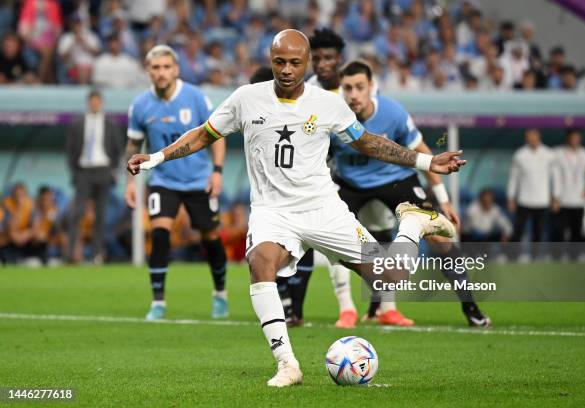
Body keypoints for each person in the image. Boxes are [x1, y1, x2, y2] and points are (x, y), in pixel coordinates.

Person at [127, 29, 465, 387]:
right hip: (273, 212)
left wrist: (427, 163)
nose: (286, 69)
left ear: (306, 64)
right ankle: (287, 364)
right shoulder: (246, 99)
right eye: (279, 62)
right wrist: (155, 157)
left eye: (294, 62)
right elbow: (202, 134)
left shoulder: (328, 103)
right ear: (270, 61)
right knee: (260, 262)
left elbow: (368, 143)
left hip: (323, 209)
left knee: (390, 277)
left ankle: (413, 224)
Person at [330, 60, 490, 328]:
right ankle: (349, 309)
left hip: (396, 179)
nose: (353, 94)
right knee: (331, 234)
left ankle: (470, 305)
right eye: (348, 88)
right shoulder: (333, 116)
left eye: (359, 87)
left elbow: (425, 152)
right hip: (350, 185)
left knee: (438, 233)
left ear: (372, 87)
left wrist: (444, 199)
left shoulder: (393, 113)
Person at [124, 45, 229, 321]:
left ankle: (220, 293)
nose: (161, 73)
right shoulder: (140, 105)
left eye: (166, 67)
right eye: (156, 68)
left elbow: (216, 136)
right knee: (159, 235)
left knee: (211, 236)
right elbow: (133, 144)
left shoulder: (195, 98)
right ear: (148, 70)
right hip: (163, 181)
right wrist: (130, 182)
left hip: (198, 180)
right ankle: (158, 302)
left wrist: (217, 171)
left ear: (176, 70)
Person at [66, 90, 122, 264]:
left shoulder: (111, 124)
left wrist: (112, 171)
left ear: (102, 103)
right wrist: (76, 173)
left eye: (98, 101)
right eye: (92, 101)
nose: (95, 104)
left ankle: (97, 254)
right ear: (88, 103)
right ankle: (71, 254)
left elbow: (117, 150)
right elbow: (71, 150)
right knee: (77, 213)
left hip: (103, 170)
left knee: (101, 214)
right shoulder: (78, 123)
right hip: (84, 170)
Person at [507, 128, 559, 246]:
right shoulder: (520, 155)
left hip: (542, 200)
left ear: (539, 136)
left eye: (534, 136)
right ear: (526, 138)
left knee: (538, 231)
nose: (531, 139)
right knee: (518, 229)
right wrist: (511, 198)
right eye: (529, 137)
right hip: (524, 199)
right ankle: (511, 256)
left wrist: (556, 197)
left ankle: (535, 258)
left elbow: (555, 178)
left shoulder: (549, 154)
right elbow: (513, 178)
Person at [554, 129, 585, 245]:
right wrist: (554, 196)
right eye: (572, 137)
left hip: (579, 199)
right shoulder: (558, 152)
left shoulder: (584, 153)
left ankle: (575, 256)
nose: (574, 140)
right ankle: (560, 255)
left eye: (577, 137)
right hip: (562, 199)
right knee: (560, 230)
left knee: (577, 230)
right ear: (567, 138)